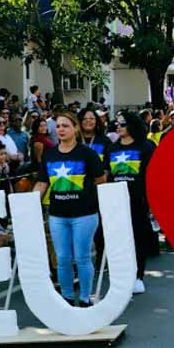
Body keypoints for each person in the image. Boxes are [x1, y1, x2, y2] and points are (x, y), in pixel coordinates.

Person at [33, 111, 106, 307]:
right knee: (63, 258)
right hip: (58, 215)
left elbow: (100, 180)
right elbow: (42, 183)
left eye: (65, 125)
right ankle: (65, 298)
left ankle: (84, 298)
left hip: (85, 214)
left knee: (82, 257)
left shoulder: (87, 154)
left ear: (75, 128)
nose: (61, 129)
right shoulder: (50, 155)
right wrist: (29, 204)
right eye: (58, 126)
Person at [106, 112, 154, 295]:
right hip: (116, 201)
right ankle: (123, 277)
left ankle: (138, 276)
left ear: (132, 125)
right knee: (120, 240)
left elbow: (153, 174)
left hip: (139, 200)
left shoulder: (146, 146)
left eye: (122, 124)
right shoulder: (111, 148)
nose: (118, 127)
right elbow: (108, 175)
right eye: (116, 124)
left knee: (138, 239)